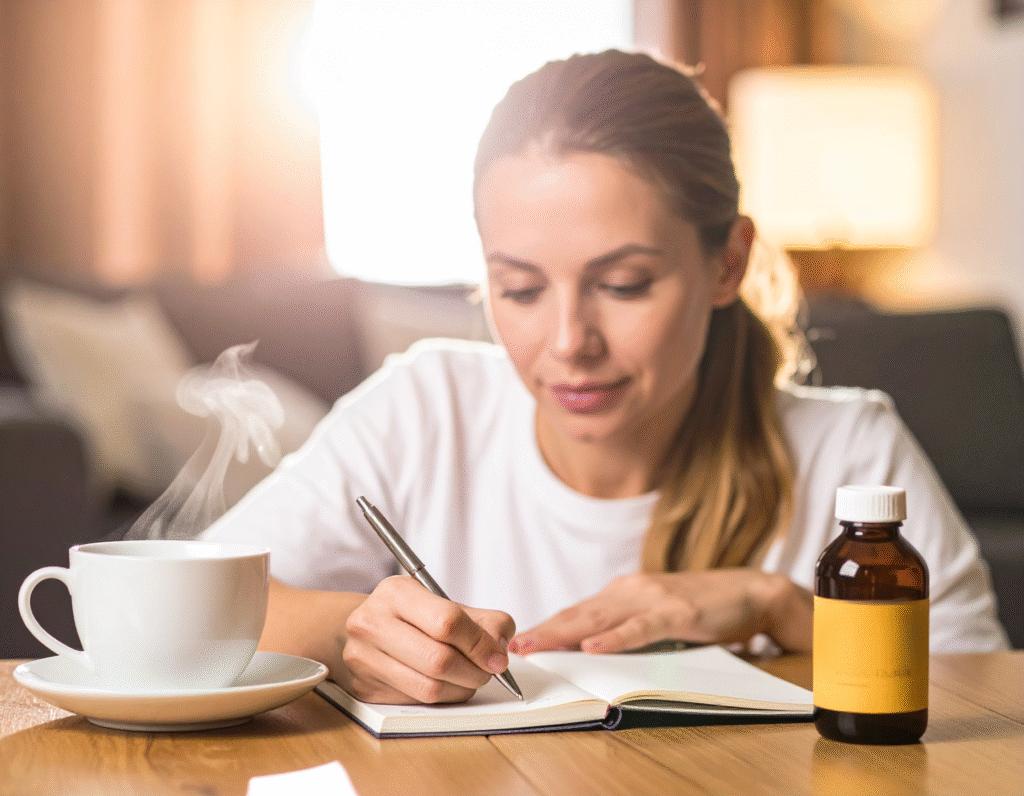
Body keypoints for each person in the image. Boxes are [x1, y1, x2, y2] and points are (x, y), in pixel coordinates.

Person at [202, 50, 1008, 705]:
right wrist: (350, 631)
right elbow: (191, 610)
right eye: (518, 289)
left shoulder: (850, 452)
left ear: (727, 263)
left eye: (623, 285)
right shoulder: (425, 408)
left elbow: (982, 702)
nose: (567, 342)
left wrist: (782, 606)